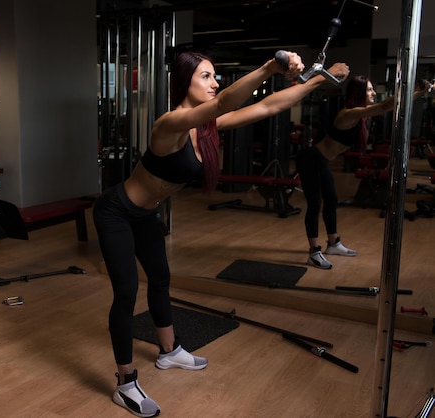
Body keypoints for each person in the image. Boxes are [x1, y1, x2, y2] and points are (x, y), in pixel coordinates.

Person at [93, 50, 349, 417]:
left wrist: (321, 79)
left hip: (145, 215)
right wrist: (268, 67)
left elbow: (269, 107)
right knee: (126, 292)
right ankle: (126, 383)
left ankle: (169, 352)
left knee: (161, 279)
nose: (216, 84)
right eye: (206, 77)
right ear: (184, 83)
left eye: (215, 76)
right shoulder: (169, 124)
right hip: (116, 212)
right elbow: (227, 101)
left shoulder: (206, 127)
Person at [295, 76, 431, 270]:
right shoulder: (348, 114)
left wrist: (420, 93)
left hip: (321, 160)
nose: (373, 93)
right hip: (310, 159)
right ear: (358, 93)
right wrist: (415, 89)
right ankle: (314, 252)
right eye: (369, 90)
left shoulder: (358, 117)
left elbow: (392, 106)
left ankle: (333, 244)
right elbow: (385, 106)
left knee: (331, 200)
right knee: (315, 204)